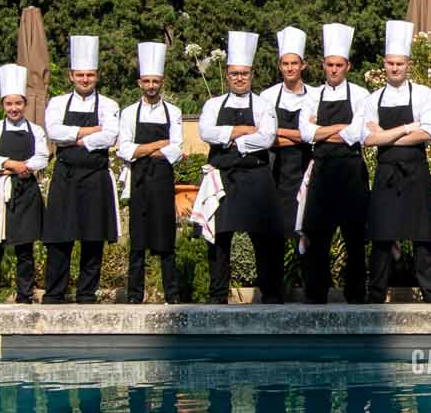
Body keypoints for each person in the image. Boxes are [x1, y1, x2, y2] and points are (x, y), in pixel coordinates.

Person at [198, 30, 281, 303]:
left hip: (257, 176)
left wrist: (231, 140)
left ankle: (270, 294)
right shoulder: (212, 104)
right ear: (227, 75)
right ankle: (217, 294)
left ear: (251, 74)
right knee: (220, 238)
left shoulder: (264, 104)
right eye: (234, 73)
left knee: (263, 237)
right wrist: (244, 130)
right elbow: (205, 132)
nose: (239, 78)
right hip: (223, 177)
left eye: (244, 73)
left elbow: (267, 137)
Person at [364, 19, 431, 302]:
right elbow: (367, 139)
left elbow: (428, 132)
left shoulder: (423, 93)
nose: (395, 68)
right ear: (384, 64)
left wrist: (386, 134)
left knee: (423, 237)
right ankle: (376, 297)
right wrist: (408, 127)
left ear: (408, 64)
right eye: (390, 63)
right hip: (386, 174)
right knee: (382, 237)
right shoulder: (372, 99)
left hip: (416, 172)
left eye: (400, 63)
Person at [42, 35, 119, 304]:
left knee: (93, 237)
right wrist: (92, 132)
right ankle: (54, 293)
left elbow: (110, 137)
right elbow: (53, 131)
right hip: (65, 175)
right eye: (80, 75)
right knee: (59, 237)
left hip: (96, 176)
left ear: (97, 75)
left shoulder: (109, 104)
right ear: (71, 76)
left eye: (90, 75)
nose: (85, 79)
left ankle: (87, 293)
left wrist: (75, 137)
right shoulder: (57, 103)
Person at [299, 23, 371, 304]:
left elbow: (358, 133)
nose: (334, 69)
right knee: (317, 234)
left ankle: (356, 294)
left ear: (348, 66)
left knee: (354, 235)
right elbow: (306, 134)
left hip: (352, 170)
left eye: (339, 65)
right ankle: (316, 294)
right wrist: (340, 128)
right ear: (323, 65)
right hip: (322, 169)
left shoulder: (362, 94)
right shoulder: (312, 95)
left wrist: (323, 131)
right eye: (330, 64)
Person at [0, 62, 48, 303]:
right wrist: (13, 164)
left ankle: (25, 295)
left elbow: (42, 156)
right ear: (2, 105)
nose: (14, 108)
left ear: (25, 104)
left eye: (18, 103)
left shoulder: (36, 130)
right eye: (9, 103)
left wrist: (25, 167)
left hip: (26, 189)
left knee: (25, 247)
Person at [122, 41, 184, 304]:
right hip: (138, 182)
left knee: (165, 240)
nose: (151, 85)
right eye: (146, 81)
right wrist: (158, 145)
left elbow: (177, 150)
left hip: (162, 182)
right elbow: (124, 149)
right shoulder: (127, 113)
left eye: (155, 81)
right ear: (139, 83)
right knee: (137, 242)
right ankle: (134, 296)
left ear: (162, 82)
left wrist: (142, 149)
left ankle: (172, 295)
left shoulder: (175, 112)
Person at [262, 26, 316, 302]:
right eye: (285, 63)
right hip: (278, 175)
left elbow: (314, 138)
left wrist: (282, 134)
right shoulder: (268, 97)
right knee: (276, 236)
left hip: (308, 173)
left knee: (308, 235)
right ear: (279, 65)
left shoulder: (315, 95)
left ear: (303, 65)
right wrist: (299, 135)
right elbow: (266, 139)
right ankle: (273, 293)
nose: (290, 68)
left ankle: (311, 291)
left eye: (295, 63)